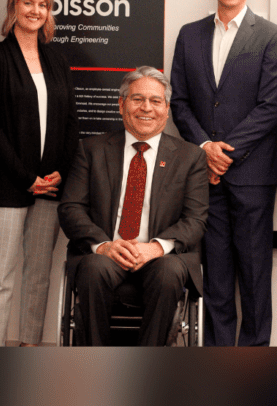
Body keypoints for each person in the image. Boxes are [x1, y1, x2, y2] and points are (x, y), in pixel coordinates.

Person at [169, 0, 277, 346]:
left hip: (253, 175)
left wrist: (225, 153)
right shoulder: (190, 34)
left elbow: (270, 106)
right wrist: (205, 147)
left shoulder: (271, 35)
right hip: (204, 175)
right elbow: (180, 101)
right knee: (215, 272)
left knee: (255, 273)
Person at [58, 66, 209, 346]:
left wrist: (154, 247)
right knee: (93, 268)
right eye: (138, 99)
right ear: (121, 104)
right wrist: (104, 245)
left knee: (169, 273)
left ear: (166, 109)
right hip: (107, 252)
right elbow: (71, 209)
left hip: (159, 256)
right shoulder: (90, 150)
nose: (146, 108)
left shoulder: (191, 157)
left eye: (155, 101)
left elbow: (195, 219)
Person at [0, 0, 78, 346]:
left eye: (42, 4)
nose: (35, 10)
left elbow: (71, 122)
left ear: (48, 11)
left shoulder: (57, 61)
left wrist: (58, 174)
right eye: (28, 2)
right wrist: (26, 177)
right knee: (0, 276)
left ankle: (30, 347)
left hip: (50, 185)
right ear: (14, 6)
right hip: (8, 186)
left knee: (38, 274)